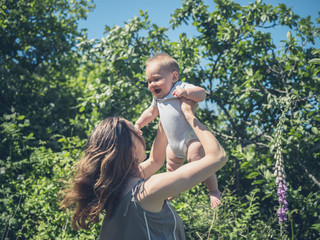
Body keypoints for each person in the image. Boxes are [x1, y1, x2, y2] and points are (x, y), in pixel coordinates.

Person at [61, 98, 228, 239]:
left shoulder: (120, 187)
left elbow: (155, 160)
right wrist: (189, 115)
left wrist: (167, 114)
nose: (139, 132)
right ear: (126, 147)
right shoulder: (147, 190)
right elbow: (218, 157)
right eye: (134, 131)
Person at [135, 53, 221, 209]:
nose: (152, 84)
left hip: (189, 138)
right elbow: (150, 113)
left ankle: (213, 190)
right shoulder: (158, 99)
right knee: (171, 167)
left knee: (199, 159)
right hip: (173, 144)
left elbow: (202, 93)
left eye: (156, 79)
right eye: (149, 81)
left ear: (173, 77)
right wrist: (139, 123)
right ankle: (173, 190)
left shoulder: (180, 87)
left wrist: (187, 93)